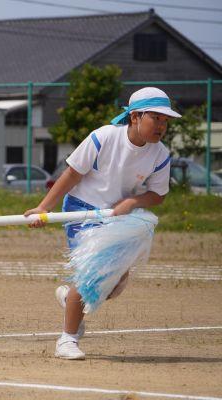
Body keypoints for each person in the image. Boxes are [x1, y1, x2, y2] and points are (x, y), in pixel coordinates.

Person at [24, 87, 180, 360]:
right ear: (135, 117)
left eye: (165, 120)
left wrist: (132, 202)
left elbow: (158, 195)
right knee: (91, 273)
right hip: (81, 210)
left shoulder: (160, 154)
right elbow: (72, 174)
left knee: (113, 284)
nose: (161, 126)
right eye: (156, 118)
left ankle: (70, 300)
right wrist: (43, 208)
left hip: (117, 218)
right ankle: (67, 339)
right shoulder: (104, 137)